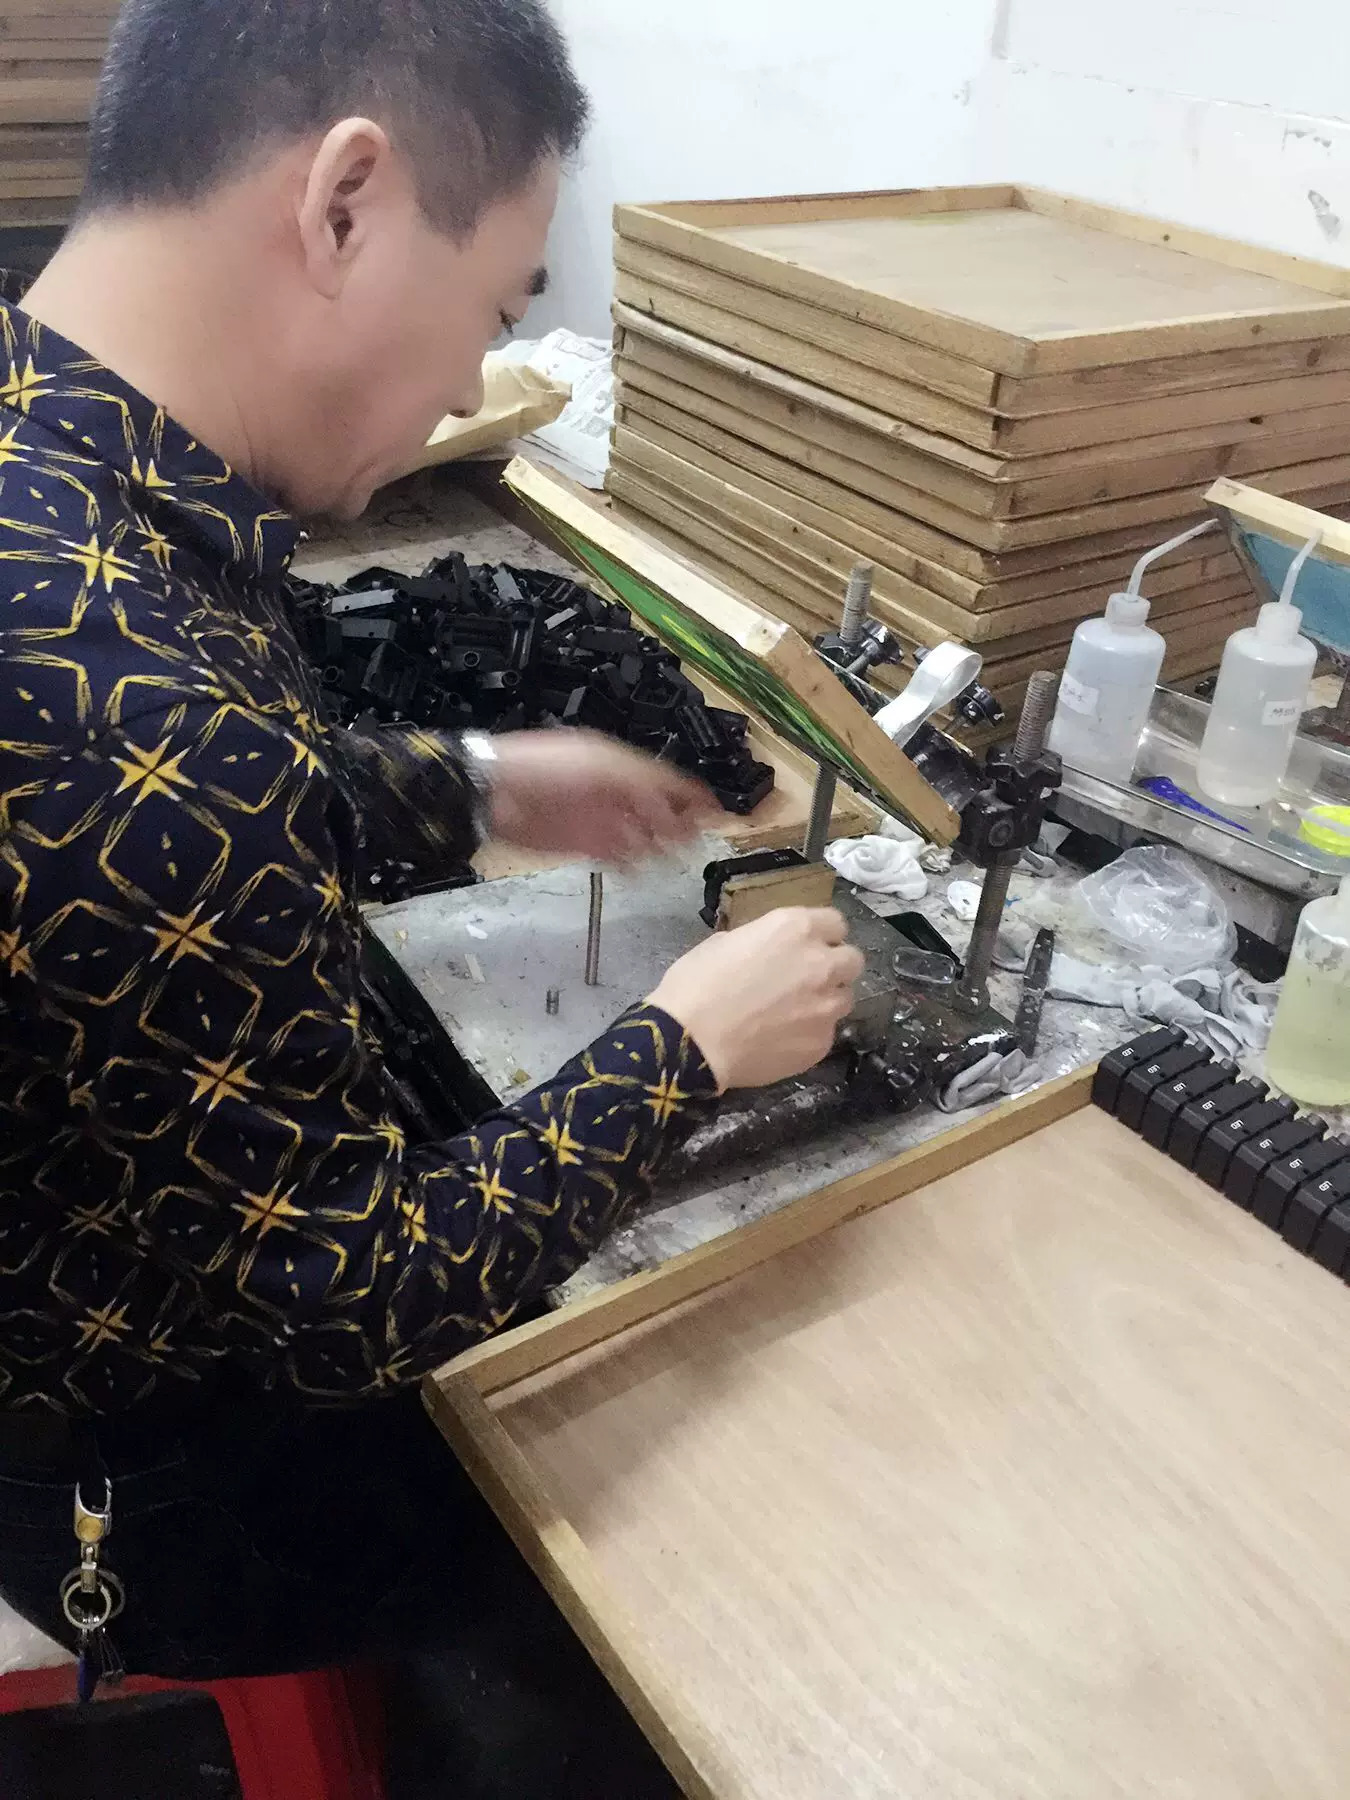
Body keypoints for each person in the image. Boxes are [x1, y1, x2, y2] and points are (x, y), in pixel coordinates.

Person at [0, 1, 865, 1792]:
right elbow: (347, 1302)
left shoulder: (59, 467)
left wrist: (468, 785)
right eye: (490, 308)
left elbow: (150, 802)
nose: (475, 387)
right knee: (735, 1445)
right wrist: (685, 1047)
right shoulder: (141, 714)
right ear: (345, 204)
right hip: (148, 1501)